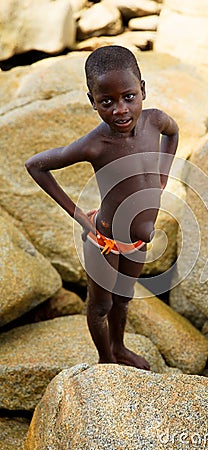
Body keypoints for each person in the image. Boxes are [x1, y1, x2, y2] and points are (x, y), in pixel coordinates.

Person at [25, 45, 179, 370]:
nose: (120, 110)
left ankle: (120, 348)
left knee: (123, 300)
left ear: (143, 90)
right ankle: (106, 359)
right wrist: (79, 215)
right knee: (100, 306)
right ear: (92, 101)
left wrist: (162, 176)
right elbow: (36, 165)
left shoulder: (155, 122)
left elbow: (174, 132)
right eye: (106, 102)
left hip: (138, 241)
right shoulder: (95, 144)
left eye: (129, 97)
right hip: (105, 241)